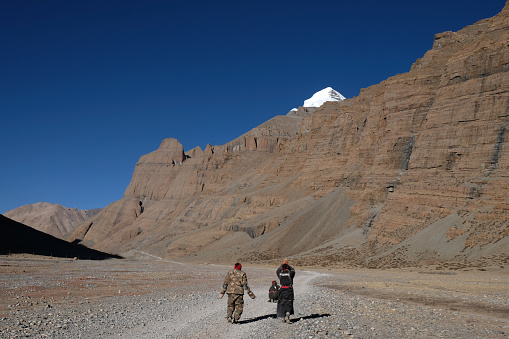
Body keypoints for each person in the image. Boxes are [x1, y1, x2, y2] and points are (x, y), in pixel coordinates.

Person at [276, 259, 295, 324]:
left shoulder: (280, 274)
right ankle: (287, 316)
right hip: (289, 290)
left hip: (282, 290)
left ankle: (283, 317)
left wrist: (282, 265)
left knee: (282, 302)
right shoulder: (290, 273)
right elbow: (293, 270)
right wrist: (288, 265)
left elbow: (277, 270)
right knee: (289, 302)